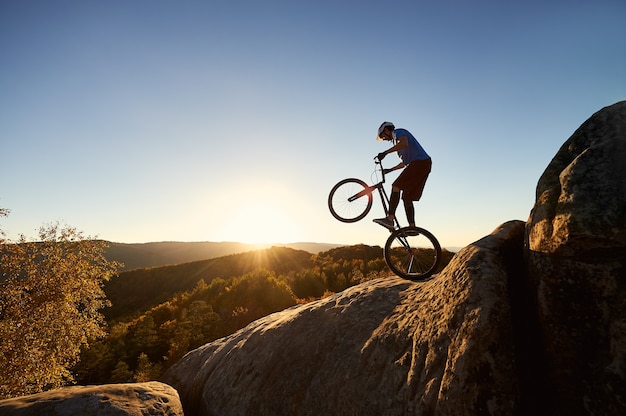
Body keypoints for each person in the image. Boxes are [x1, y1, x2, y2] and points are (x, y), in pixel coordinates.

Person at [373, 121, 432, 230]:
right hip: (422, 164)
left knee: (396, 186)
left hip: (420, 163)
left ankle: (390, 219)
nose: (384, 139)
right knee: (406, 197)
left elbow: (404, 143)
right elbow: (405, 163)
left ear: (386, 130)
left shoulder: (398, 132)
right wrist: (390, 170)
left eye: (383, 136)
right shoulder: (398, 145)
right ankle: (412, 228)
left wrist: (385, 153)